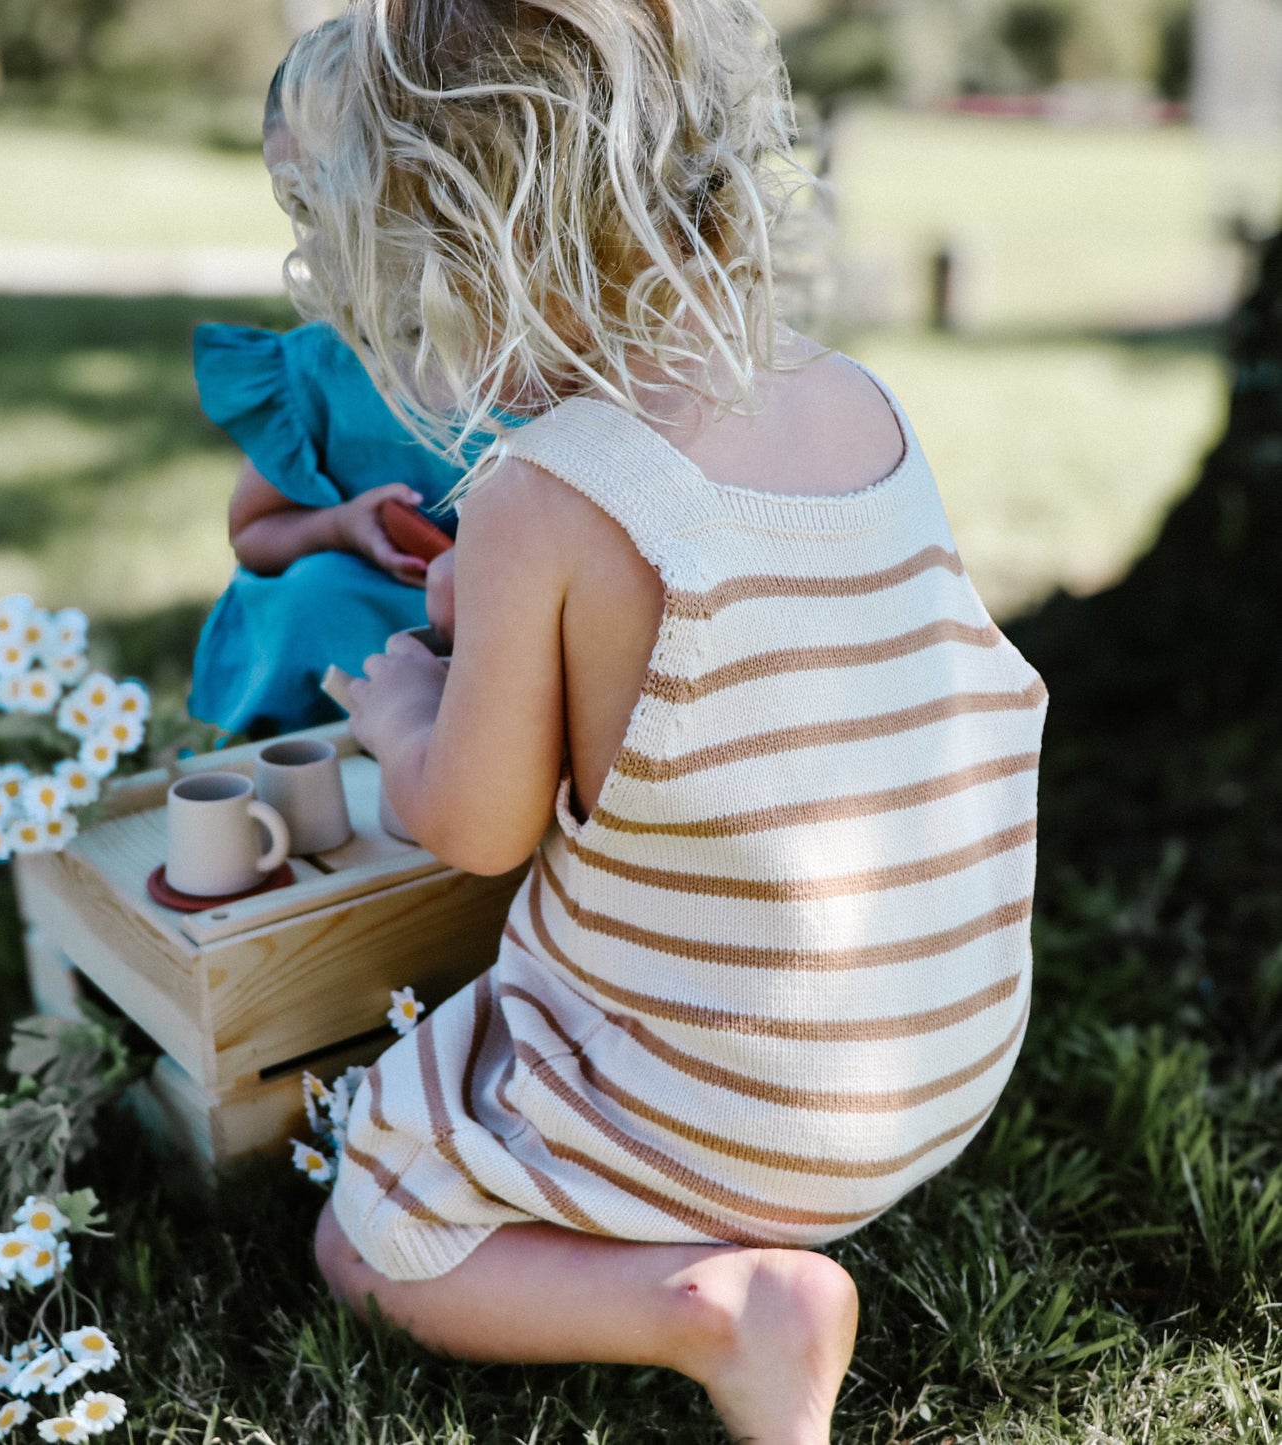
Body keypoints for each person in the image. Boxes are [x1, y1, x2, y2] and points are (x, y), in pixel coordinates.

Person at [275, 4, 1048, 1441]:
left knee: (371, 1233)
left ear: (483, 253)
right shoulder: (851, 397)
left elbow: (475, 822)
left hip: (731, 1113)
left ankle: (722, 1311)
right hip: (934, 1059)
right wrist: (513, 615)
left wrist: (403, 708)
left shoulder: (541, 493)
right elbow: (746, 666)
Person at [186, 66, 469, 738]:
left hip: (499, 640)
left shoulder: (536, 361)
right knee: (314, 593)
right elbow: (254, 534)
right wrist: (342, 527)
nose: (327, 237)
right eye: (302, 208)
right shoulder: (321, 367)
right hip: (362, 647)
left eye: (354, 197)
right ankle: (275, 769)